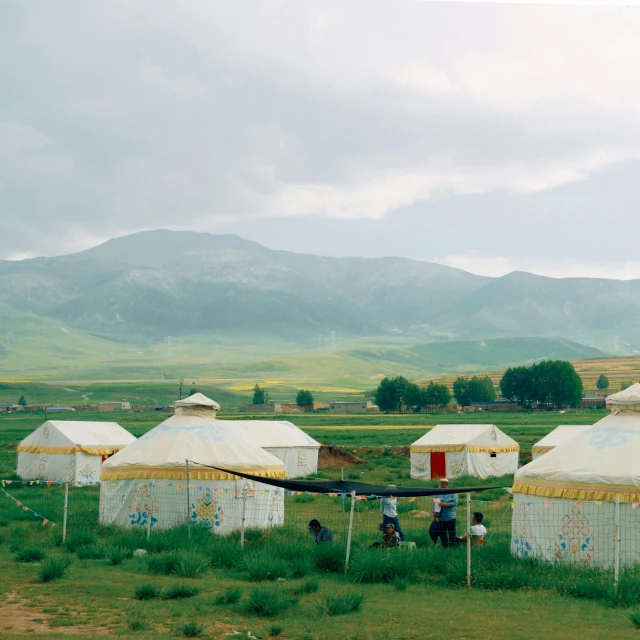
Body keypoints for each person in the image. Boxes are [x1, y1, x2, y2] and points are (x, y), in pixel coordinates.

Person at [429, 478, 458, 548]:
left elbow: (454, 503)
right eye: (440, 483)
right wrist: (434, 515)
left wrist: (443, 504)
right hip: (441, 517)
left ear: (446, 485)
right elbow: (435, 504)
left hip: (450, 517)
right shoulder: (438, 493)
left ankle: (453, 546)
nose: (440, 485)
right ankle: (445, 546)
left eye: (442, 483)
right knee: (442, 533)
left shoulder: (452, 493)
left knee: (452, 533)